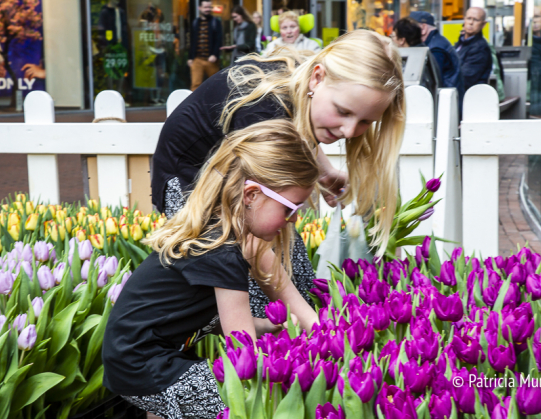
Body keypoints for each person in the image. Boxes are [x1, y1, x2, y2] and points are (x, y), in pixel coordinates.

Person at [151, 29, 405, 321]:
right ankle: (241, 359)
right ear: (318, 78)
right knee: (242, 282)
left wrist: (325, 172)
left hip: (243, 181)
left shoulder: (302, 88)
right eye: (343, 111)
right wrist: (312, 322)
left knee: (296, 273)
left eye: (364, 122)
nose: (348, 131)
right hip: (191, 182)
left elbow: (297, 126)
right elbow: (252, 239)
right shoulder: (264, 110)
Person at [103, 119, 321, 419]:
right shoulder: (222, 252)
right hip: (146, 366)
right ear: (252, 195)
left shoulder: (217, 236)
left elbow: (206, 319)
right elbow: (241, 350)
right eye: (290, 208)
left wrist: (278, 328)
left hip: (138, 360)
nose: (294, 219)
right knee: (248, 401)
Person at [410, 11, 465, 112]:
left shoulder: (435, 49)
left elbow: (434, 82)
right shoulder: (438, 42)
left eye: (411, 28)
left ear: (423, 28)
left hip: (445, 108)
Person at [188, 0, 223, 91]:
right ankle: (194, 105)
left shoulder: (215, 22)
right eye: (205, 7)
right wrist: (190, 58)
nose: (207, 9)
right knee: (195, 84)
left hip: (211, 60)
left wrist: (215, 55)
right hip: (197, 60)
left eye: (209, 7)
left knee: (215, 84)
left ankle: (215, 104)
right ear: (199, 7)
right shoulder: (195, 23)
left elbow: (219, 40)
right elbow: (192, 41)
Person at [455, 7, 492, 91]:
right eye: (469, 18)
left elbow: (466, 78)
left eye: (476, 20)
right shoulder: (461, 42)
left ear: (483, 24)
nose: (471, 23)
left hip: (470, 97)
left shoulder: (480, 48)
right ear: (464, 20)